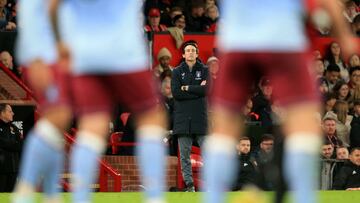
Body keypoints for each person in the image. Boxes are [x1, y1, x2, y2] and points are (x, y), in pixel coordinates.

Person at [202, 1, 357, 203]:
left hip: (237, 41)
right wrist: (345, 37)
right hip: (283, 40)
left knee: (222, 136)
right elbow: (329, 4)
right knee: (303, 133)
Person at [50, 1, 168, 203]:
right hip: (124, 48)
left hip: (87, 51)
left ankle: (80, 198)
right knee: (151, 119)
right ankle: (155, 197)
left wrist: (60, 41)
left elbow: (52, 6)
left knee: (91, 127)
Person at [12, 0, 73, 202]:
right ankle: (26, 185)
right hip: (44, 54)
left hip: (40, 51)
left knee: (56, 124)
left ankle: (50, 193)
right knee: (58, 117)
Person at [171, 40, 209, 192]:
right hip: (182, 119)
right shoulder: (176, 71)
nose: (190, 52)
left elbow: (207, 90)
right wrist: (196, 90)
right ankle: (190, 185)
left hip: (200, 117)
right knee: (185, 156)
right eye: (188, 50)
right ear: (183, 54)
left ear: (197, 53)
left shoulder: (205, 70)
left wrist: (186, 87)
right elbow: (176, 93)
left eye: (193, 50)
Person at [0, 103, 23, 192]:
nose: (13, 113)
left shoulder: (13, 127)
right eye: (10, 111)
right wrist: (14, 144)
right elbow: (2, 143)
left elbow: (20, 144)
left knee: (10, 197)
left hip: (14, 170)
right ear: (2, 113)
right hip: (1, 170)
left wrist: (12, 145)